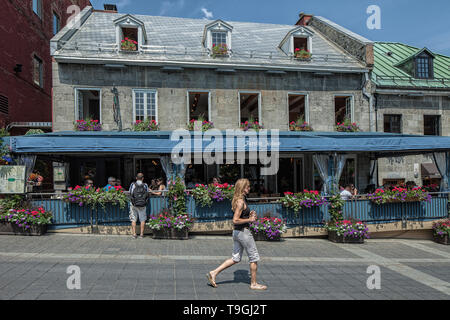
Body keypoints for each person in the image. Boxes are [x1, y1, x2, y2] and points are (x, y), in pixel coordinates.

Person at [206, 178, 267, 290]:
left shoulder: (239, 200)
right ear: (242, 188)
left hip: (237, 232)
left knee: (235, 258)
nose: (249, 188)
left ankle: (213, 273)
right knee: (254, 258)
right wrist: (250, 220)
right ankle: (253, 284)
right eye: (247, 186)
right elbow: (235, 220)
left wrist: (250, 215)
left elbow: (241, 216)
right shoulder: (240, 201)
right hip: (244, 233)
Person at [129, 173, 150, 239]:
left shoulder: (133, 185)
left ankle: (134, 234)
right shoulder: (145, 185)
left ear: (136, 178)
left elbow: (130, 193)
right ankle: (141, 234)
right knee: (142, 219)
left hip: (134, 204)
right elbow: (147, 193)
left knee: (133, 219)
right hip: (142, 205)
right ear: (143, 178)